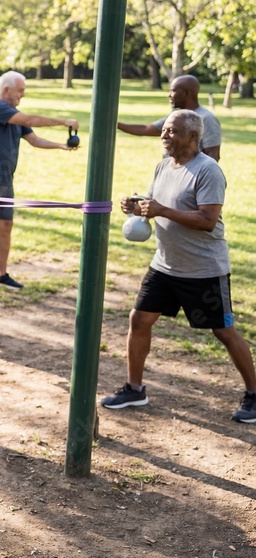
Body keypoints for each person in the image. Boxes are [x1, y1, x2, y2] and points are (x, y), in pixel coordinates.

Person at [100, 110, 255, 424]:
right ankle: (135, 388)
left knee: (224, 332)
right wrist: (137, 205)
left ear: (193, 137)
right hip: (165, 266)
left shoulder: (208, 171)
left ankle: (254, 393)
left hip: (203, 270)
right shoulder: (163, 164)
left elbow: (207, 220)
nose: (164, 136)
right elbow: (156, 202)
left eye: (172, 131)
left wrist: (161, 210)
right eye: (164, 130)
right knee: (139, 320)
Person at [0, 70, 78, 292]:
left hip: (5, 180)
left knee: (6, 226)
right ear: (6, 90)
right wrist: (63, 121)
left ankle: (1, 275)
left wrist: (61, 146)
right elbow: (31, 119)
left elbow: (34, 139)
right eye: (20, 90)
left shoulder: (14, 115)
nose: (23, 95)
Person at [117, 75, 222, 162]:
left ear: (187, 93)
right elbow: (145, 129)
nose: (169, 95)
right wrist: (114, 124)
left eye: (173, 91)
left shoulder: (207, 119)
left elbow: (213, 154)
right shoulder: (176, 117)